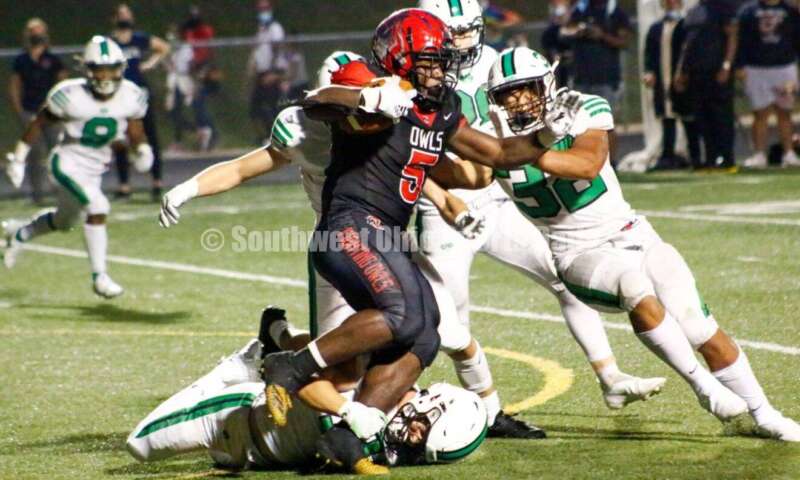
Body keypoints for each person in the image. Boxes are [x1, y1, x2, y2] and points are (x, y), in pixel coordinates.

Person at [159, 50, 546, 446]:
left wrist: (467, 185)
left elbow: (431, 170)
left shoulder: (391, 121)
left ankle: (489, 414)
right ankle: (282, 347)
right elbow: (243, 167)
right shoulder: (306, 126)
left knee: (448, 336)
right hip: (342, 241)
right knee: (341, 371)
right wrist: (188, 188)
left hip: (390, 243)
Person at [257, 8, 596, 443]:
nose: (439, 71)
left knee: (424, 335)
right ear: (400, 59)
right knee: (400, 316)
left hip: (388, 235)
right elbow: (318, 101)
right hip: (351, 226)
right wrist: (367, 99)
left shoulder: (442, 107)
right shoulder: (376, 85)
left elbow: (496, 153)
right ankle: (291, 366)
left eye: (442, 62)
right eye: (430, 62)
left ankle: (350, 435)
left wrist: (545, 136)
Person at [452, 45, 800, 441]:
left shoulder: (581, 107)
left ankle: (765, 414)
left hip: (632, 231)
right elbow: (468, 173)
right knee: (634, 287)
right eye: (508, 94)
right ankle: (705, 388)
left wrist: (525, 152)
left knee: (699, 326)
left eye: (526, 89)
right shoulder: (496, 144)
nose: (519, 101)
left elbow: (587, 164)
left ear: (546, 83)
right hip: (577, 253)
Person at [418, 0, 665, 425]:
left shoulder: (498, 63)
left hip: (497, 194)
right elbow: (414, 155)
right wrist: (443, 199)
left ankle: (611, 378)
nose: (462, 42)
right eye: (452, 34)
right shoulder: (417, 81)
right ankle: (487, 412)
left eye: (468, 30)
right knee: (454, 319)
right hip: (448, 200)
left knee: (565, 278)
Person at [126, 318, 488, 473]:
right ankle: (234, 370)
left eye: (420, 446)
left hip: (258, 458)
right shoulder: (382, 382)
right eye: (422, 431)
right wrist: (349, 410)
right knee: (138, 447)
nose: (411, 439)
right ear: (433, 403)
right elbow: (307, 380)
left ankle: (276, 334)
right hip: (235, 417)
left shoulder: (397, 444)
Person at [2, 36, 153, 299]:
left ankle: (20, 233)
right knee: (98, 207)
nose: (105, 76)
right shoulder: (70, 95)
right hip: (66, 163)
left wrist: (142, 149)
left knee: (64, 221)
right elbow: (38, 123)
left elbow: (135, 130)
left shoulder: (131, 95)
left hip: (94, 170)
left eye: (111, 69)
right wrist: (19, 158)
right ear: (88, 69)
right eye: (100, 69)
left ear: (120, 68)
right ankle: (99, 277)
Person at [110, 3, 170, 200]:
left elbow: (163, 47)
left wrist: (149, 64)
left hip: (139, 94)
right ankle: (124, 186)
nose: (125, 17)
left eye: (127, 14)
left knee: (151, 136)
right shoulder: (110, 42)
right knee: (120, 138)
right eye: (121, 14)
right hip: (118, 95)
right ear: (114, 18)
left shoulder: (139, 39)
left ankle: (157, 182)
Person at [8, 18, 67, 205]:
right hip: (30, 111)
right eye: (33, 31)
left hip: (50, 111)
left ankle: (62, 192)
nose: (36, 35)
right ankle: (38, 193)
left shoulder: (53, 59)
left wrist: (59, 107)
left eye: (39, 31)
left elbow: (63, 83)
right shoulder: (22, 60)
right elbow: (15, 85)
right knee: (34, 153)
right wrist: (19, 110)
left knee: (57, 151)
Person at [675, 0, 739, 170]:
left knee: (721, 116)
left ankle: (727, 158)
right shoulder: (692, 11)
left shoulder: (723, 7)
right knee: (702, 117)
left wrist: (726, 65)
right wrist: (681, 70)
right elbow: (687, 44)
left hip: (717, 71)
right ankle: (711, 158)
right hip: (696, 73)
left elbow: (732, 36)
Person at [738, 0, 800, 168]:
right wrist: (740, 65)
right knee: (760, 113)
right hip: (756, 67)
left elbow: (796, 38)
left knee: (785, 112)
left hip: (784, 66)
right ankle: (759, 154)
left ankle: (789, 153)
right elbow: (741, 40)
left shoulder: (790, 11)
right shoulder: (748, 11)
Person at [643, 0, 700, 169]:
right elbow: (649, 54)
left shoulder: (686, 26)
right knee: (667, 117)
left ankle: (695, 155)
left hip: (681, 78)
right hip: (663, 77)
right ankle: (667, 155)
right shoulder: (656, 28)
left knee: (688, 118)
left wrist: (685, 74)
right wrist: (649, 71)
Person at [248, 0, 286, 141]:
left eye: (265, 9)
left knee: (270, 105)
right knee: (256, 107)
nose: (263, 12)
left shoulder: (275, 28)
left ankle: (276, 136)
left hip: (271, 72)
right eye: (260, 9)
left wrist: (273, 72)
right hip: (261, 72)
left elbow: (277, 50)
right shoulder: (261, 30)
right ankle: (267, 134)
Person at [181, 5, 218, 151]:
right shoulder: (189, 32)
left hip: (206, 72)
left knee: (199, 103)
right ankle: (202, 133)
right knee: (194, 105)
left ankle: (211, 133)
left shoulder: (206, 31)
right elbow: (191, 53)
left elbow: (210, 54)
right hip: (194, 71)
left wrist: (203, 72)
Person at [541, 1, 575, 87]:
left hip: (572, 70)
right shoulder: (550, 32)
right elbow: (547, 45)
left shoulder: (573, 29)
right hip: (557, 68)